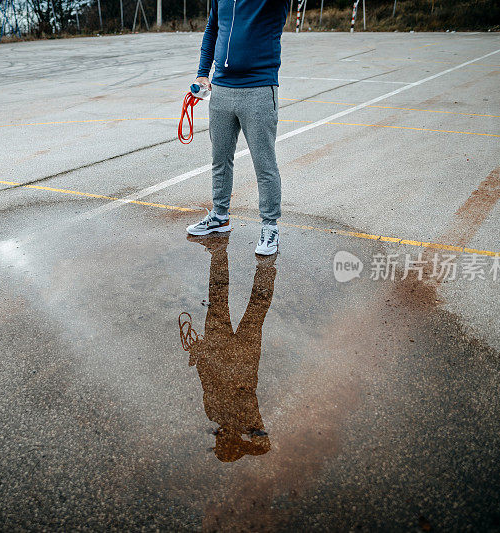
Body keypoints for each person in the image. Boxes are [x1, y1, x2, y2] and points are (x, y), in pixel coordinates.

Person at [185, 0, 289, 256]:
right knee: (220, 158)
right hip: (221, 89)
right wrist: (202, 72)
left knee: (264, 164)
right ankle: (220, 216)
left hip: (259, 88)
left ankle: (270, 226)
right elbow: (213, 29)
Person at [179, 233, 277, 462]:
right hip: (245, 357)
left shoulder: (213, 414)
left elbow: (206, 382)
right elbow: (264, 446)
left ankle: (219, 254)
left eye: (218, 442)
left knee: (218, 297)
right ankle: (265, 268)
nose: (219, 439)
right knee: (255, 308)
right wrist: (242, 448)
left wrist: (200, 356)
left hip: (218, 351)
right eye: (223, 442)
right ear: (232, 442)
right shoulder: (249, 426)